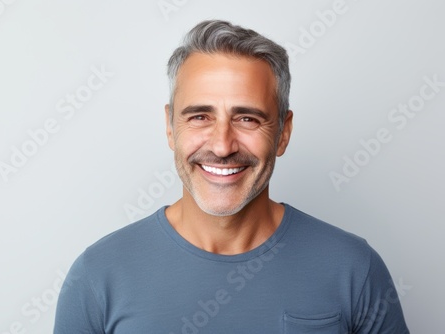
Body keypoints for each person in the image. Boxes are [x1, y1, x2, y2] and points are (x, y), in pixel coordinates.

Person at [54, 20, 409, 333]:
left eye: (247, 119)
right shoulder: (97, 276)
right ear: (169, 127)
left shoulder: (353, 269)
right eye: (199, 117)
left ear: (283, 133)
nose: (223, 146)